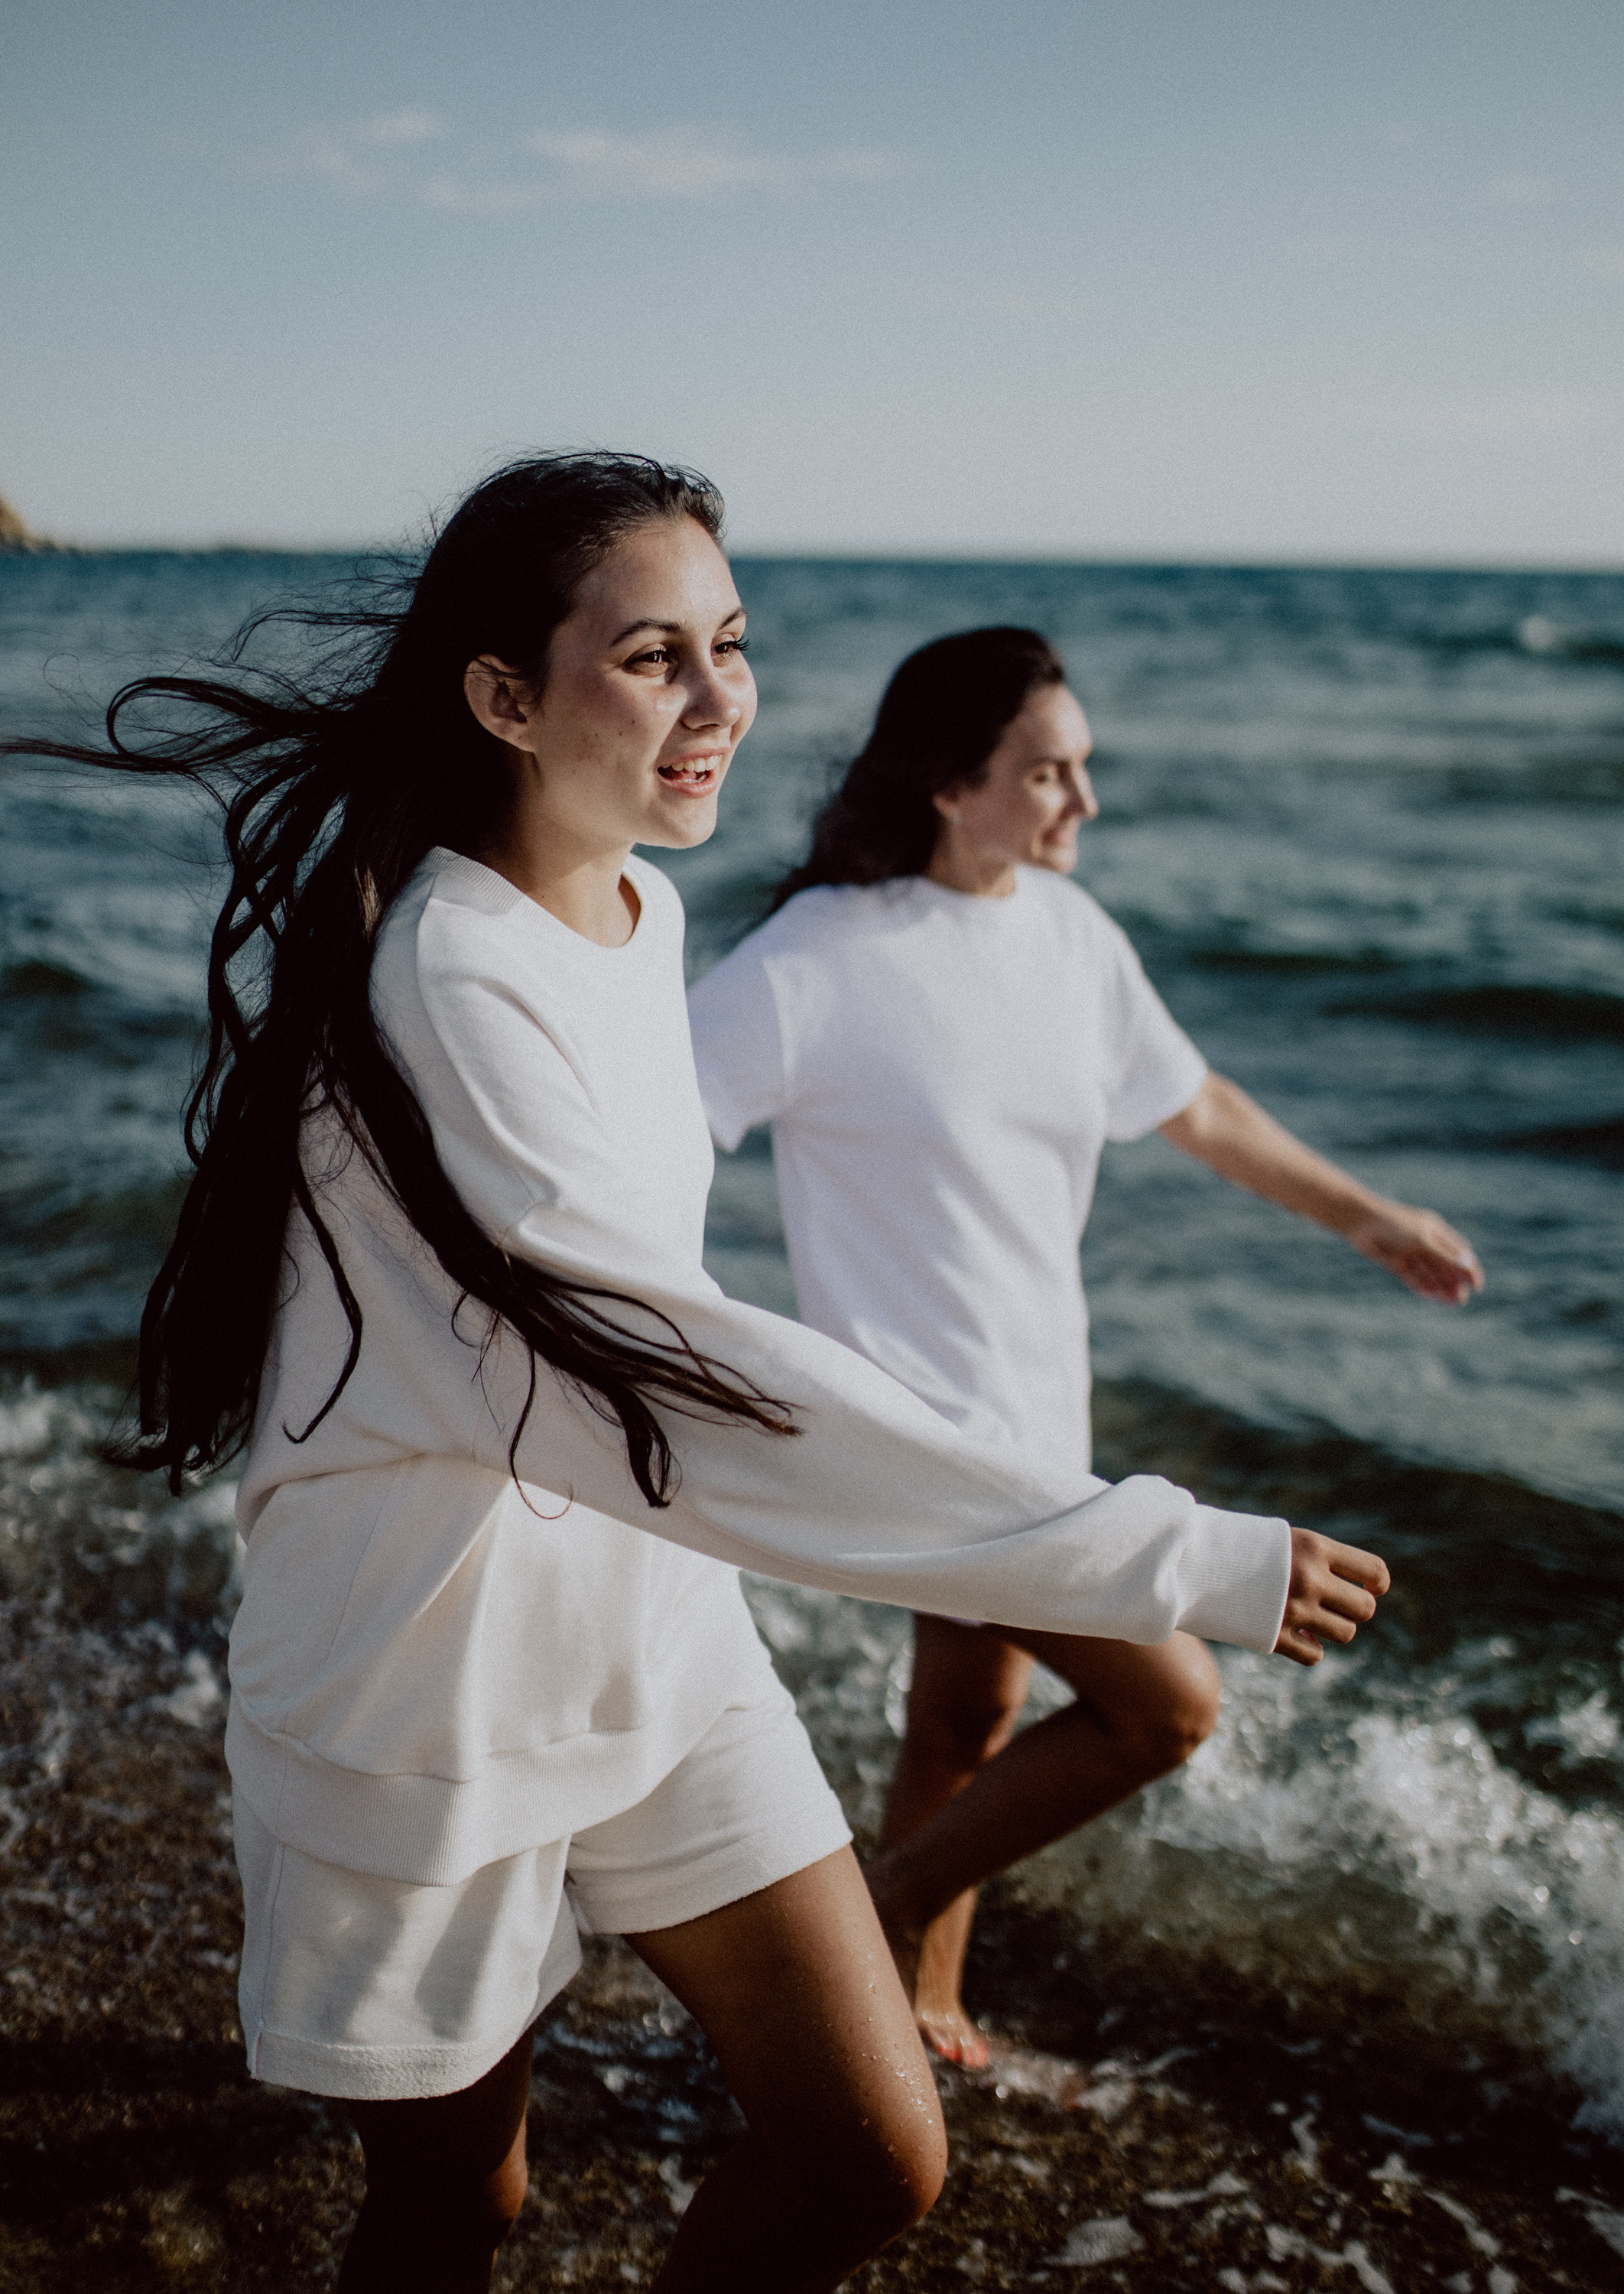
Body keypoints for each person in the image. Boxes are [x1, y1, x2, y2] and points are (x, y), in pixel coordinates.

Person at [9, 474, 1389, 2294]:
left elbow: (661, 1363)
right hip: (433, 1683)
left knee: (871, 2154)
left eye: (728, 647)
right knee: (454, 2214)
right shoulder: (451, 974)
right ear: (506, 697)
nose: (719, 697)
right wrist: (1161, 1551)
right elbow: (674, 1377)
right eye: (653, 658)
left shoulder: (643, 920)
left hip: (656, 1640)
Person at [688, 625, 1477, 2069]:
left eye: (1084, 769)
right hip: (921, 1446)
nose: (1083, 804)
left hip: (1037, 1416)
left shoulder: (1069, 938)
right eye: (1047, 773)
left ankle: (905, 2009)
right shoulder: (816, 961)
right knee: (1169, 1702)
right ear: (948, 782)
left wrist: (1372, 1220)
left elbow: (1203, 1108)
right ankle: (880, 1912)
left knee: (967, 1718)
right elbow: (648, 1132)